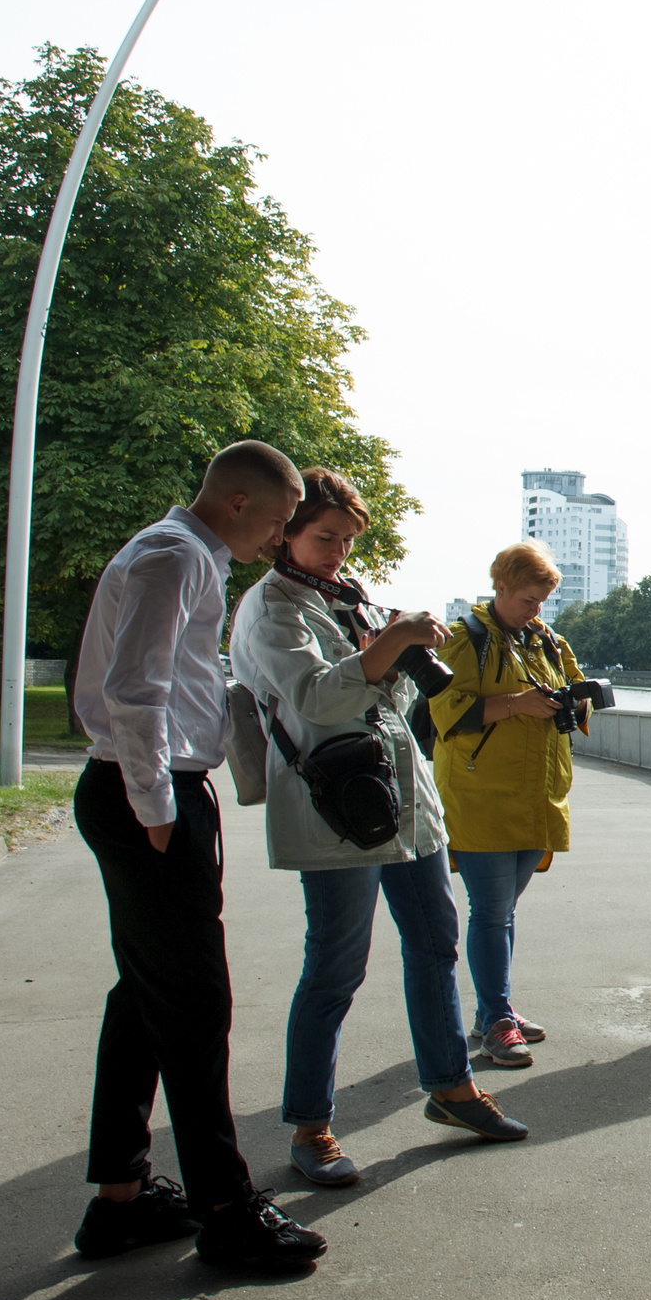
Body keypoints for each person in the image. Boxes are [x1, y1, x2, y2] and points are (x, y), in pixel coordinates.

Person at [69, 439, 327, 1271]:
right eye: (282, 519)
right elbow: (133, 689)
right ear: (241, 501)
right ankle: (225, 1208)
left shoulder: (185, 555)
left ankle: (121, 1195)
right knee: (192, 1002)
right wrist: (156, 810)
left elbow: (165, 680)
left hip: (155, 789)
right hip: (148, 793)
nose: (280, 536)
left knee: (146, 996)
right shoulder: (177, 555)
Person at [230, 468, 528, 1185]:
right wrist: (389, 642)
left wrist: (396, 645)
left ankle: (451, 1089)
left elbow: (386, 693)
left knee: (435, 943)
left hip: (403, 801)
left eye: (346, 539)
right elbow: (315, 698)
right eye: (324, 537)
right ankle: (311, 1125)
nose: (337, 552)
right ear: (287, 533)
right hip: (336, 808)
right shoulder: (270, 607)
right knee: (335, 967)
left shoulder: (347, 592)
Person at [429, 542, 590, 1068]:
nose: (536, 609)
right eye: (528, 598)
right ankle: (497, 1018)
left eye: (543, 600)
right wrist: (516, 703)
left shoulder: (546, 640)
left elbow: (570, 691)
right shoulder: (463, 640)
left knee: (503, 911)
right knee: (492, 911)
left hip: (536, 792)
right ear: (499, 587)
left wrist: (579, 699)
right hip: (482, 795)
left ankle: (492, 1013)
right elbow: (445, 709)